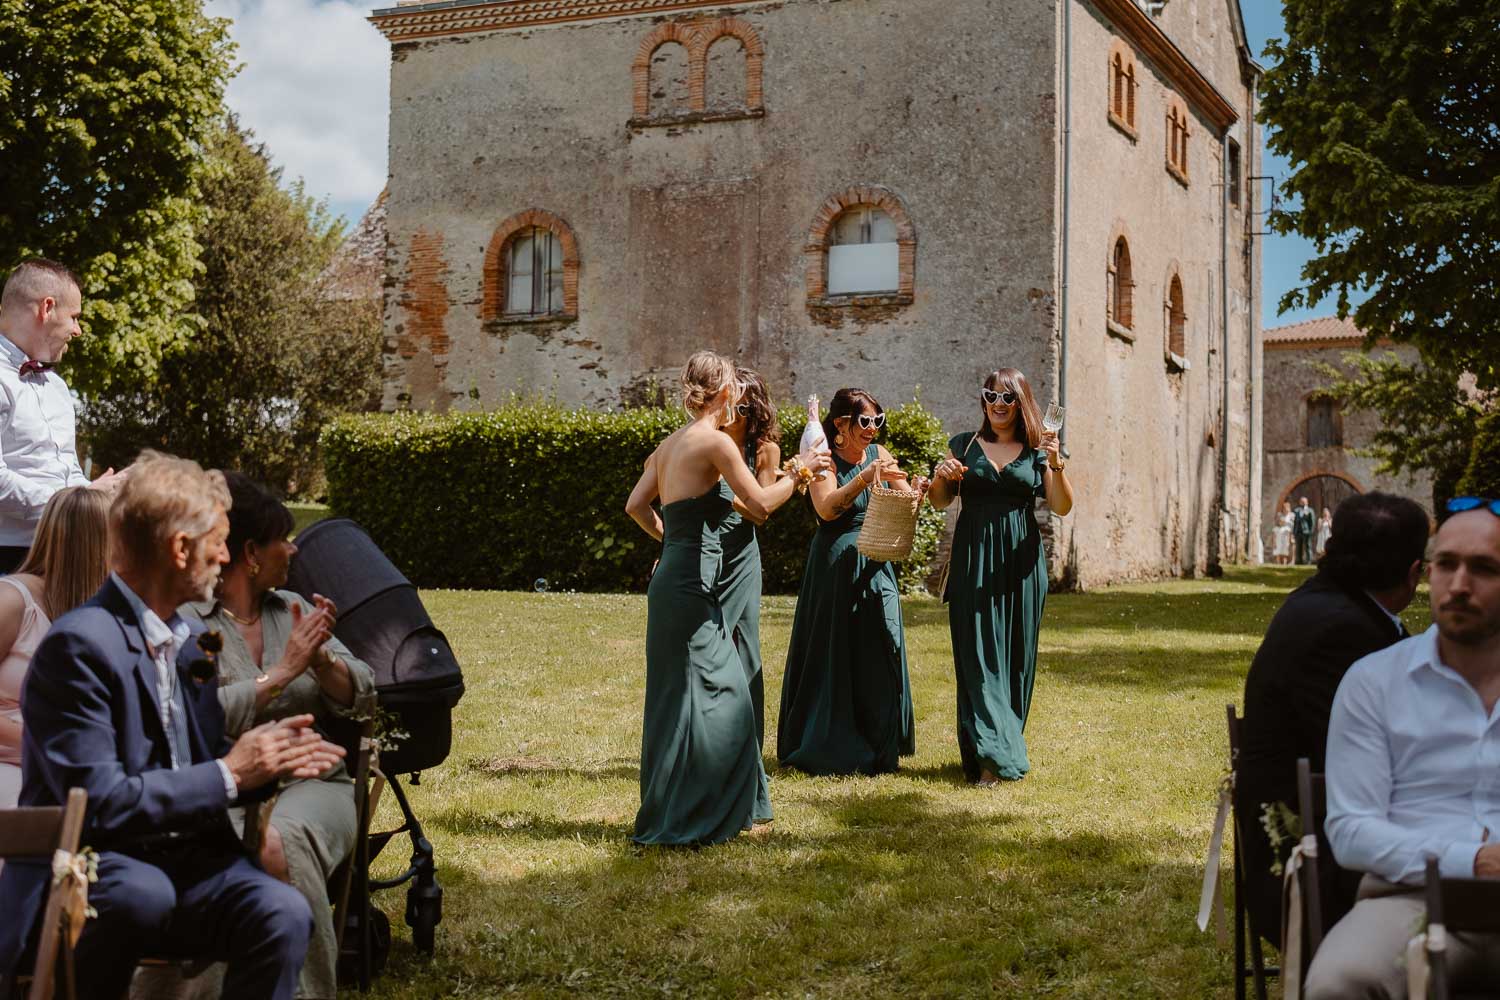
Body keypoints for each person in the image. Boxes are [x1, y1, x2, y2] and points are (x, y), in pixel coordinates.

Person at [0, 451, 345, 1000]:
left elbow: (203, 770)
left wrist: (271, 762)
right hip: (88, 869)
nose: (227, 557)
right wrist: (233, 772)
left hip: (179, 869)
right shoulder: (82, 645)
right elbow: (100, 802)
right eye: (219, 540)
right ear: (181, 549)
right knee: (141, 894)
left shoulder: (186, 647)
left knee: (279, 911)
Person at [181, 472, 376, 1000]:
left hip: (312, 784)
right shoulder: (186, 623)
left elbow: (364, 693)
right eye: (282, 539)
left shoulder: (292, 607)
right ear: (248, 553)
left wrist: (322, 659)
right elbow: (191, 717)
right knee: (230, 849)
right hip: (223, 787)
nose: (292, 548)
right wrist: (282, 674)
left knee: (276, 844)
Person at [624, 352, 830, 845]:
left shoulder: (669, 444)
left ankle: (677, 810)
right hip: (693, 585)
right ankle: (705, 815)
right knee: (732, 696)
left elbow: (635, 506)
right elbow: (759, 506)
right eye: (735, 387)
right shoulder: (715, 442)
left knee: (676, 699)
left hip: (672, 579)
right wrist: (799, 473)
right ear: (723, 393)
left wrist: (673, 546)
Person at [1305, 497, 1500, 998]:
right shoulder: (1375, 682)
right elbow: (1350, 830)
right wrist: (1473, 860)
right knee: (1338, 982)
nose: (1459, 585)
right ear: (1427, 573)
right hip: (1410, 898)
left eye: (1483, 568)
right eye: (1446, 565)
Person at [1236, 492, 1429, 946]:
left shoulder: (1333, 604)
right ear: (1414, 573)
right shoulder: (1345, 631)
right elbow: (1400, 762)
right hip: (1312, 870)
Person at [928, 369, 1072, 784]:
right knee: (977, 657)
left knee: (1015, 661)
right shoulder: (964, 445)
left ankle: (1000, 746)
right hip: (973, 560)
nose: (999, 404)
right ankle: (992, 758)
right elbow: (939, 502)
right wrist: (942, 476)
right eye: (991, 396)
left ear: (1021, 401)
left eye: (1008, 398)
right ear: (983, 400)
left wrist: (1057, 461)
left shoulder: (1037, 451)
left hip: (1021, 565)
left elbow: (1061, 506)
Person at [777, 387, 923, 776]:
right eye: (865, 421)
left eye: (878, 421)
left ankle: (881, 741)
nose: (873, 428)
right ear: (840, 424)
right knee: (835, 651)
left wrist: (918, 492)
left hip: (876, 560)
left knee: (882, 642)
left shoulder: (881, 454)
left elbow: (906, 501)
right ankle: (832, 743)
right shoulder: (823, 458)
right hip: (835, 565)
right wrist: (864, 479)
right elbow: (826, 509)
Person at [0, 259, 125, 571]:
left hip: (66, 551)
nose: (77, 330)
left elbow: (67, 470)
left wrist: (101, 494)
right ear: (47, 308)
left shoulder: (57, 387)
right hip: (9, 559)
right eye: (74, 317)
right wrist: (74, 501)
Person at [0, 487, 111, 811]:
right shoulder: (11, 601)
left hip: (69, 771)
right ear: (94, 546)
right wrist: (39, 742)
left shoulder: (93, 607)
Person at [718, 369, 783, 751]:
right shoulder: (709, 441)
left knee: (744, 647)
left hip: (741, 554)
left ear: (752, 407)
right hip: (704, 548)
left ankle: (748, 748)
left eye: (740, 404)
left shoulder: (765, 451)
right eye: (728, 401)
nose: (731, 411)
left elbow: (761, 511)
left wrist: (722, 496)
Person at [1293, 495, 1317, 565]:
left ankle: (1309, 560)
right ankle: (1299, 561)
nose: (1302, 503)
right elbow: (1294, 522)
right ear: (1300, 502)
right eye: (1301, 501)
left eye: (1304, 501)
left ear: (1307, 502)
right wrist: (1294, 531)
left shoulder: (1310, 511)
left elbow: (1312, 521)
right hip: (1298, 531)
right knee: (1298, 547)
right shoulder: (1296, 510)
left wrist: (1311, 531)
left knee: (1307, 546)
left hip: (1306, 531)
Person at [1272, 501, 1294, 565]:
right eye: (1284, 508)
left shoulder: (1292, 515)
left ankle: (1291, 561)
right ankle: (1280, 562)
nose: (1285, 509)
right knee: (1281, 548)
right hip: (1281, 532)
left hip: (1289, 532)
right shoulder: (1280, 515)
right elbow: (1277, 522)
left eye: (1287, 508)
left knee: (1290, 547)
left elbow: (1293, 524)